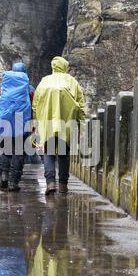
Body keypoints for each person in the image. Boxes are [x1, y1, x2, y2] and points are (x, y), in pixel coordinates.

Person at [32, 56, 86, 195]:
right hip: (66, 123)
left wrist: (36, 124)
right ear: (65, 67)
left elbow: (35, 105)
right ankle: (63, 184)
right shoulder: (72, 82)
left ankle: (50, 182)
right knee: (63, 153)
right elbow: (80, 105)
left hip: (47, 123)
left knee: (49, 152)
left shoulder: (44, 81)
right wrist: (82, 126)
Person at [0, 62, 35, 192]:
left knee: (5, 150)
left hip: (4, 121)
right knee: (19, 152)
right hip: (22, 123)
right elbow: (34, 108)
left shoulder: (2, 86)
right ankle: (14, 182)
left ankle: (4, 176)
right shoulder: (29, 88)